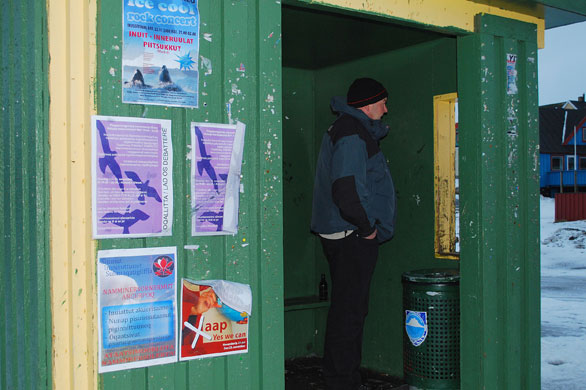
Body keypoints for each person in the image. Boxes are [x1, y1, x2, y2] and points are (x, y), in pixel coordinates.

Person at [311, 77, 397, 390]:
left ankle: (342, 378)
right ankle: (341, 382)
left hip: (346, 233)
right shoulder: (351, 132)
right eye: (383, 102)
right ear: (368, 103)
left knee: (348, 309)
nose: (386, 109)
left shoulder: (349, 129)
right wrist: (368, 230)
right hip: (352, 235)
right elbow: (347, 189)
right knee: (349, 313)